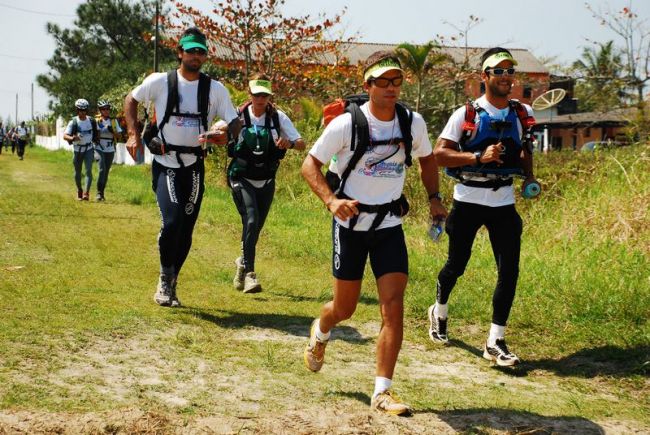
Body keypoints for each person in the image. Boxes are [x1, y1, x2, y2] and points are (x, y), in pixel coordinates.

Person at [301, 51, 447, 415]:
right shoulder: (346, 125)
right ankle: (321, 329)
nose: (391, 88)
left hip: (388, 225)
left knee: (392, 308)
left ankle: (383, 391)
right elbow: (310, 165)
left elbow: (428, 159)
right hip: (350, 225)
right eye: (383, 81)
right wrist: (332, 202)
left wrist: (434, 199)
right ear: (367, 85)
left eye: (396, 81)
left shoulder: (412, 123)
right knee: (345, 308)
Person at [429, 47, 540, 367]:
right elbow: (440, 154)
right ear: (485, 77)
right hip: (468, 200)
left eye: (510, 72)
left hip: (504, 201)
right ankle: (439, 309)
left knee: (509, 271)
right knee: (457, 265)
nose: (506, 77)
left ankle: (495, 340)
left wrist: (530, 178)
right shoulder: (466, 114)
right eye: (499, 71)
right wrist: (478, 157)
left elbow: (526, 149)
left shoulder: (521, 114)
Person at [124, 27, 240, 308]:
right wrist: (132, 133)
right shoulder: (160, 82)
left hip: (195, 164)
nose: (196, 56)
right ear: (180, 53)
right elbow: (131, 99)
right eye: (191, 51)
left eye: (201, 52)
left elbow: (235, 122)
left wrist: (228, 135)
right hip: (166, 163)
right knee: (173, 221)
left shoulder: (215, 89)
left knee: (186, 229)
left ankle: (173, 280)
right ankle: (164, 279)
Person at [228, 75, 305, 294]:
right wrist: (215, 136)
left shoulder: (277, 118)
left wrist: (289, 143)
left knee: (255, 228)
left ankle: (242, 263)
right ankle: (251, 275)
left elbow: (301, 143)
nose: (260, 99)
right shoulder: (237, 115)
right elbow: (218, 131)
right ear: (249, 94)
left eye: (264, 95)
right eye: (256, 94)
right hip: (241, 177)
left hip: (267, 180)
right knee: (251, 221)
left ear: (269, 96)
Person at [63, 99, 98, 200]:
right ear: (77, 110)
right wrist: (73, 138)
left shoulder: (91, 121)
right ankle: (79, 189)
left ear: (86, 110)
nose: (82, 112)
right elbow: (65, 136)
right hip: (77, 150)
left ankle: (86, 193)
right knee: (77, 172)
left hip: (89, 149)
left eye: (84, 110)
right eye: (80, 110)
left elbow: (96, 133)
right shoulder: (73, 122)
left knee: (88, 171)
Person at [94, 100, 122, 201]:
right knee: (102, 169)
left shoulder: (113, 121)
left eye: (107, 109)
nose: (106, 111)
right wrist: (100, 130)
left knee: (106, 172)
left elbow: (119, 135)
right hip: (99, 148)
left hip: (110, 148)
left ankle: (102, 193)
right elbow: (95, 135)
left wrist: (112, 131)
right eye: (103, 109)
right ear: (100, 110)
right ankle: (98, 193)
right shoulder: (97, 121)